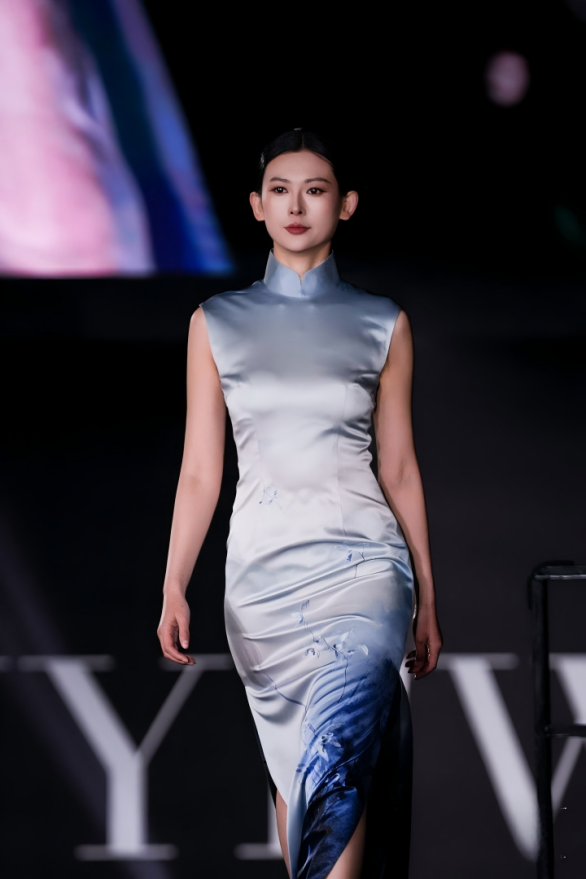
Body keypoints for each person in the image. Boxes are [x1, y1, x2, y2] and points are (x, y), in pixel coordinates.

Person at [157, 129, 442, 879]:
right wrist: (174, 583)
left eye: (315, 190)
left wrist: (427, 594)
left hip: (365, 572)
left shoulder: (383, 322)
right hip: (261, 584)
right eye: (280, 190)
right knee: (297, 771)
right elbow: (200, 472)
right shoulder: (215, 322)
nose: (296, 205)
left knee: (335, 760)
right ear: (256, 205)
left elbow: (400, 466)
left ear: (345, 205)